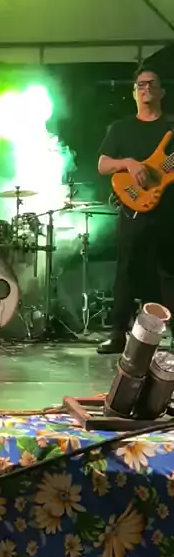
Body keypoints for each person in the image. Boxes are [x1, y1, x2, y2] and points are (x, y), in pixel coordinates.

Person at [97, 66, 174, 354]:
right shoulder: (121, 128)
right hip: (133, 211)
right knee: (126, 271)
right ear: (133, 92)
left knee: (170, 272)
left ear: (161, 91)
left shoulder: (170, 127)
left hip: (168, 210)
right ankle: (117, 334)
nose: (146, 88)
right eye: (140, 84)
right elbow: (103, 164)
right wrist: (129, 163)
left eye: (151, 83)